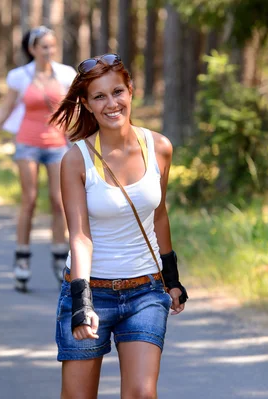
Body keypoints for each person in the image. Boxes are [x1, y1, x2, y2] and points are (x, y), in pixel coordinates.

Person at [49, 53, 189, 398]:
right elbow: (80, 236)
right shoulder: (76, 159)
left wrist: (171, 279)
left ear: (131, 91)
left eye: (117, 92)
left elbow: (158, 215)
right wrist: (82, 303)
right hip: (91, 290)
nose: (111, 104)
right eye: (99, 96)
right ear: (87, 103)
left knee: (142, 393)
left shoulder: (158, 147)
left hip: (145, 291)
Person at [0, 26, 77, 292]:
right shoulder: (19, 77)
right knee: (28, 200)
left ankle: (60, 257)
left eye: (52, 46)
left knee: (59, 202)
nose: (49, 50)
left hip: (57, 144)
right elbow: (5, 108)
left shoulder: (66, 74)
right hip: (27, 143)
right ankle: (22, 258)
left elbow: (75, 110)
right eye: (44, 46)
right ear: (32, 49)